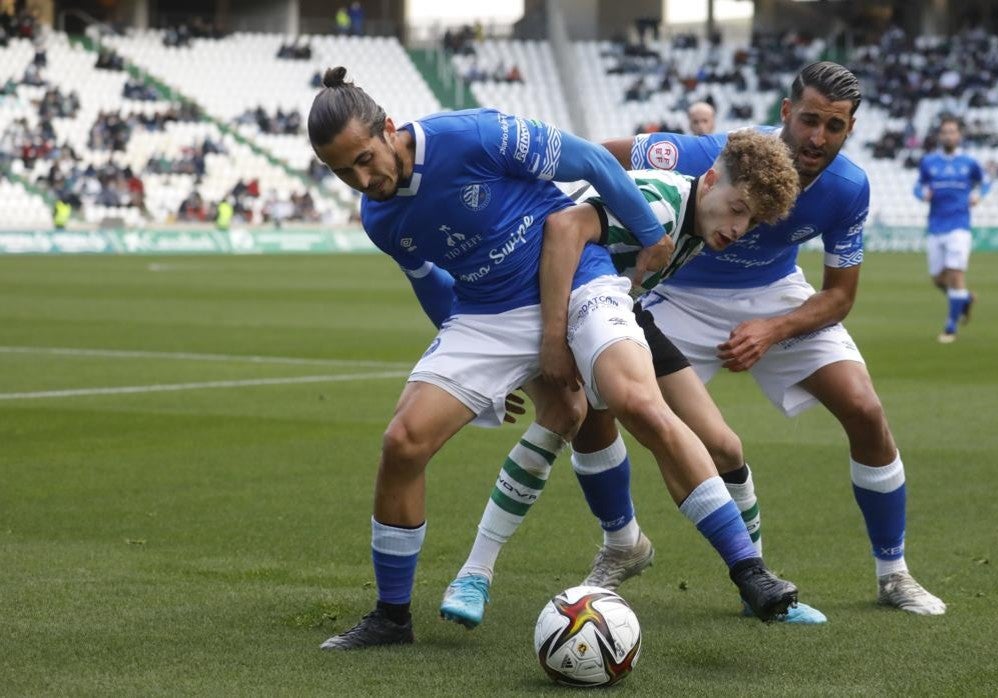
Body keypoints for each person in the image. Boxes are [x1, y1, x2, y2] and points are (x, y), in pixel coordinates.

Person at [306, 66, 797, 650]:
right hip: (486, 314)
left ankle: (750, 572)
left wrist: (648, 232)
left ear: (388, 128)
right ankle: (391, 618)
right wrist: (477, 373)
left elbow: (590, 160)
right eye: (343, 172)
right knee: (402, 442)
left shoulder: (474, 135)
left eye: (365, 158)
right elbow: (430, 283)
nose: (362, 178)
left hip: (578, 281)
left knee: (634, 400)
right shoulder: (379, 218)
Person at [607, 61, 947, 615]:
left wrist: (772, 328)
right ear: (786, 112)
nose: (817, 138)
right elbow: (602, 154)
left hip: (777, 296)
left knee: (864, 408)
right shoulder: (717, 152)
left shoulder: (848, 188)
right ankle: (620, 542)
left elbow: (839, 296)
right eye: (809, 120)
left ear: (850, 129)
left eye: (833, 127)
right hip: (680, 297)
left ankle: (894, 575)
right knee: (602, 400)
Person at [439, 130, 808, 628]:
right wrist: (551, 340)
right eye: (738, 209)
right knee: (566, 417)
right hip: (550, 295)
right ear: (712, 180)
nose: (740, 228)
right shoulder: (662, 206)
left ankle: (750, 582)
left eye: (752, 220)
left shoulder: (698, 219)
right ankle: (477, 571)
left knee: (723, 445)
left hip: (619, 307)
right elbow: (565, 227)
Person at [915, 116, 988, 344]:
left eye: (952, 132)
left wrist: (978, 195)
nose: (949, 135)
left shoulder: (969, 162)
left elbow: (985, 182)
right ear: (940, 136)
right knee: (938, 279)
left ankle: (951, 327)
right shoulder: (929, 162)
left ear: (959, 136)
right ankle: (963, 299)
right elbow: (918, 185)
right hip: (936, 226)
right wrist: (922, 194)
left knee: (956, 275)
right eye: (945, 132)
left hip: (959, 226)